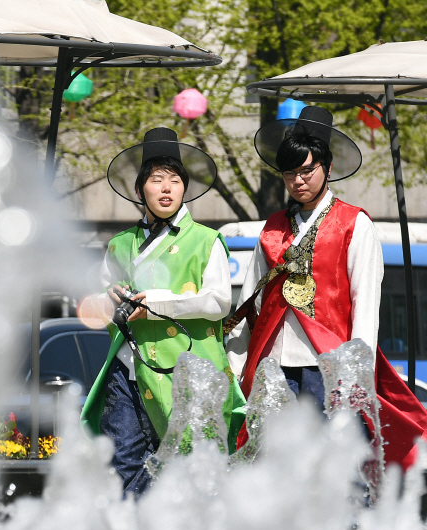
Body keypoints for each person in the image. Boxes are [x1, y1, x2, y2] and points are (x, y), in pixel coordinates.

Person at [226, 106, 427, 468]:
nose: (298, 181)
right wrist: (237, 362)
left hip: (329, 366)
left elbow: (365, 303)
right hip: (275, 364)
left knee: (333, 468)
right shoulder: (273, 226)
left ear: (328, 168)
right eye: (290, 173)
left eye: (307, 170)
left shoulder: (354, 224)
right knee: (275, 463)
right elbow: (250, 302)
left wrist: (355, 374)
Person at [81, 127, 245, 495]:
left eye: (174, 180)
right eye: (157, 180)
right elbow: (95, 302)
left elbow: (218, 302)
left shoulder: (206, 240)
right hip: (128, 369)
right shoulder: (120, 245)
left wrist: (154, 305)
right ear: (141, 190)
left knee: (190, 467)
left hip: (186, 370)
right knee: (124, 462)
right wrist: (110, 298)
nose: (167, 188)